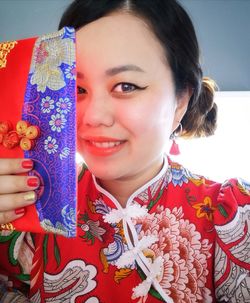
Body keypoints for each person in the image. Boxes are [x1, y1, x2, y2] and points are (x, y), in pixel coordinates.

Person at [0, 0, 249, 302]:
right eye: (77, 90)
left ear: (181, 100)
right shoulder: (27, 212)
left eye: (126, 86)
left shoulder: (233, 216)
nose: (94, 117)